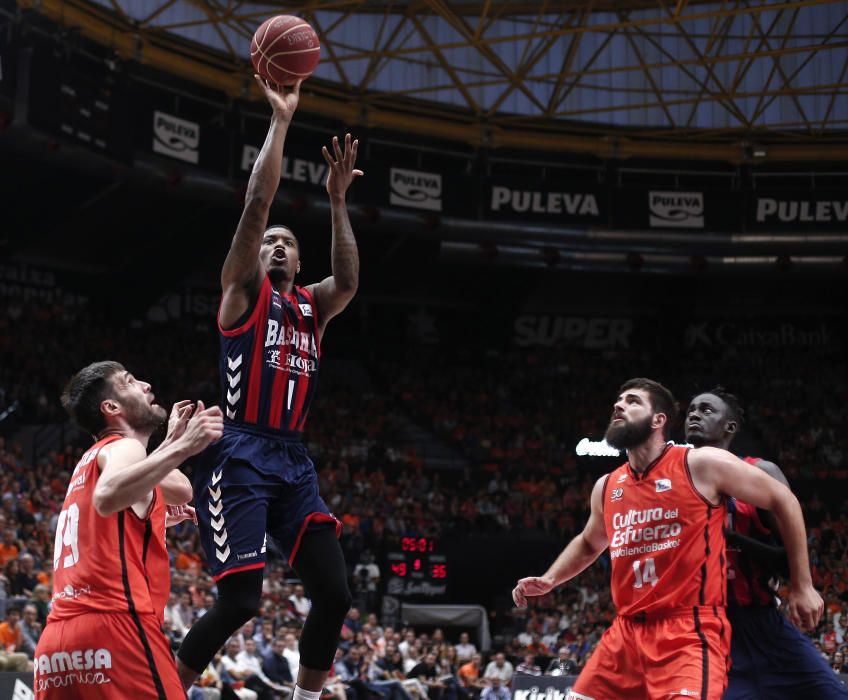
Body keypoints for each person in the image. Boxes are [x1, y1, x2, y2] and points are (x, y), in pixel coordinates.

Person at [177, 72, 361, 700]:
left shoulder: (313, 306)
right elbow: (257, 207)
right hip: (240, 453)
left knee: (335, 593)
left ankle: (306, 698)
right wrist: (281, 121)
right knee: (241, 602)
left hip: (293, 457)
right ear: (256, 257)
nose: (278, 247)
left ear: (299, 263)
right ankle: (165, 691)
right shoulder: (240, 297)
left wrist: (338, 201)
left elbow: (349, 281)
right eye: (271, 244)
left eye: (288, 244)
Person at [512, 378, 823, 700]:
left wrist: (803, 585)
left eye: (632, 401)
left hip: (687, 630)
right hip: (625, 634)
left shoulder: (699, 464)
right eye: (618, 401)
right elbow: (591, 542)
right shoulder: (607, 485)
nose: (619, 406)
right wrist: (550, 579)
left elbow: (784, 500)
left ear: (658, 420)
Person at [33, 361, 223, 698]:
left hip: (57, 645)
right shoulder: (124, 447)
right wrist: (184, 445)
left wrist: (156, 512)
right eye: (131, 381)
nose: (147, 385)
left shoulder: (90, 460)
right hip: (115, 628)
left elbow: (180, 489)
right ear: (111, 407)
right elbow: (108, 497)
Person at [684, 387, 848, 699]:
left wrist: (802, 585)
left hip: (763, 623)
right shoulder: (672, 481)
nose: (694, 414)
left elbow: (789, 559)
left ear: (729, 427)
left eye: (706, 410)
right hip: (707, 630)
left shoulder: (760, 472)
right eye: (691, 409)